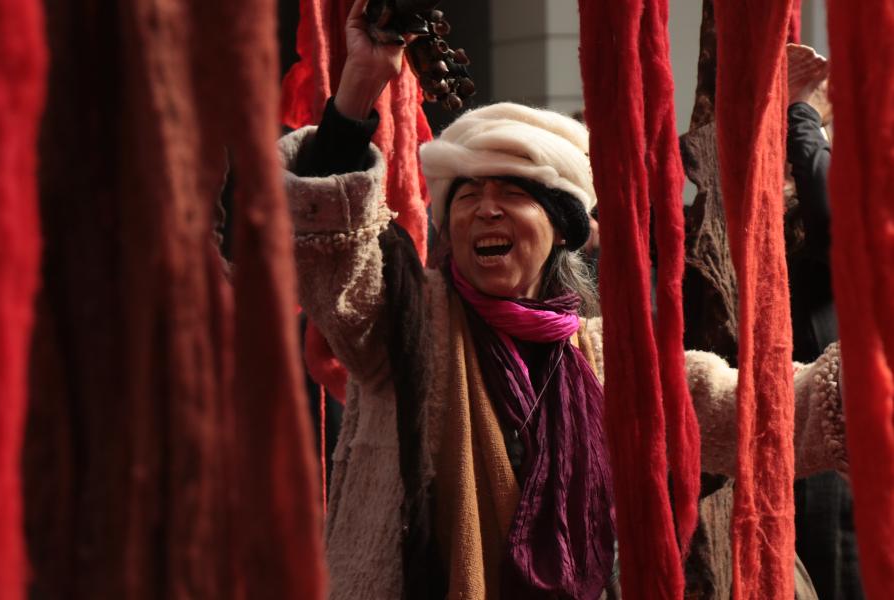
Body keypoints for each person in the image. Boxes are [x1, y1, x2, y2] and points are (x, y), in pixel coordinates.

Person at [278, 2, 848, 598]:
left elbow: (761, 411)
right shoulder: (403, 322)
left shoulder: (606, 358)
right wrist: (361, 83)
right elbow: (333, 253)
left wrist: (863, 375)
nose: (486, 209)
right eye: (467, 195)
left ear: (561, 229)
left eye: (512, 193)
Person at [786, 52, 864, 600]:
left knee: (833, 567)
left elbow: (830, 215)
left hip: (829, 423)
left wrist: (802, 110)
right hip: (785, 416)